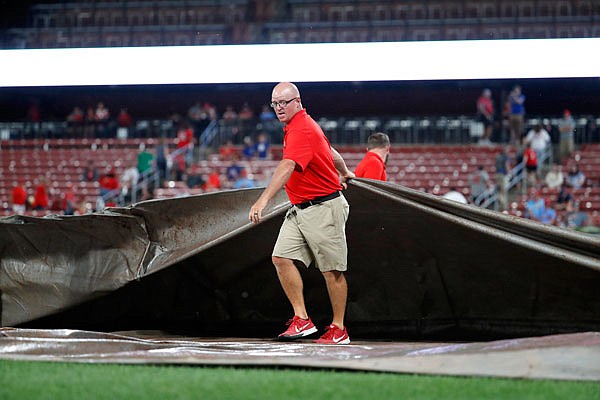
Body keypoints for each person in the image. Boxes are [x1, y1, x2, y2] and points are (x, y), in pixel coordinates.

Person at [249, 82, 355, 345]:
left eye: (283, 102)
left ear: (298, 101)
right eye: (274, 104)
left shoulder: (302, 127)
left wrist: (262, 201)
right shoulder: (299, 126)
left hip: (324, 207)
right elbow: (329, 150)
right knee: (281, 258)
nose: (279, 108)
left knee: (332, 271)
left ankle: (339, 329)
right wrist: (344, 171)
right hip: (302, 208)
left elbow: (287, 166)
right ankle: (302, 320)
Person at [494, 146, 511, 211]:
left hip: (497, 174)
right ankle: (503, 204)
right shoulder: (505, 157)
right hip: (502, 174)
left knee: (499, 190)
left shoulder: (498, 157)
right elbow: (507, 165)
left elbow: (495, 165)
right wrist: (509, 173)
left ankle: (500, 200)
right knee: (503, 190)